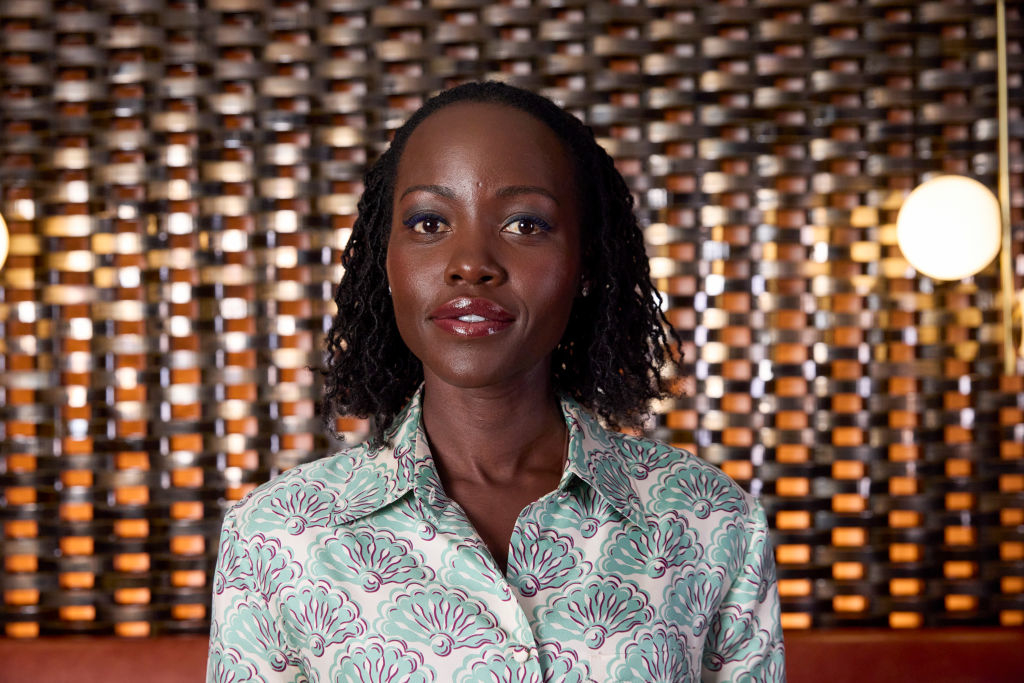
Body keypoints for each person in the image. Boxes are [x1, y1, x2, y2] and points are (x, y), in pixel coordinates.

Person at [207, 81, 784, 682]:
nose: (471, 264)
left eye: (524, 224)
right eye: (429, 222)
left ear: (585, 264)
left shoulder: (710, 521)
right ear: (387, 259)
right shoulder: (277, 535)